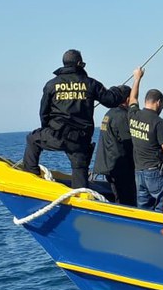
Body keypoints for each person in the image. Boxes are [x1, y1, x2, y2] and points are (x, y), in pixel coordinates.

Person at [23, 49, 124, 189]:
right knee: (79, 169)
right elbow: (111, 100)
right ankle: (81, 198)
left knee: (32, 139)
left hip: (56, 135)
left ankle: (30, 177)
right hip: (80, 140)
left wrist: (47, 130)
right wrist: (119, 90)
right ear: (79, 63)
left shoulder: (51, 85)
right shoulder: (90, 83)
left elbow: (43, 112)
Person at [128, 67, 163, 212]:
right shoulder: (159, 122)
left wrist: (137, 78)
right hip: (156, 173)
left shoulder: (133, 115)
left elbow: (132, 99)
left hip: (139, 173)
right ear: (158, 102)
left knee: (144, 210)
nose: (162, 108)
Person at [92, 85, 136, 206]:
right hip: (119, 166)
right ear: (128, 99)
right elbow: (128, 142)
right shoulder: (121, 116)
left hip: (108, 164)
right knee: (126, 199)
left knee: (118, 195)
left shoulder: (109, 113)